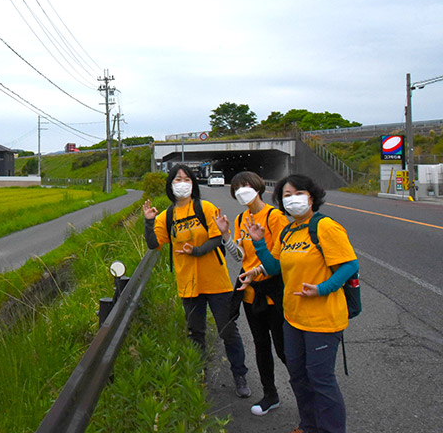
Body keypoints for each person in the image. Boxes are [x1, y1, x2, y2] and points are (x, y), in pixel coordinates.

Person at [239, 174, 359, 433]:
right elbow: (274, 266)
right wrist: (259, 245)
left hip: (322, 319)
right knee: (299, 376)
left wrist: (321, 289)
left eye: (297, 193)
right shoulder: (290, 231)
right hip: (293, 317)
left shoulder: (325, 227)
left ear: (311, 196)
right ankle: (308, 426)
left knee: (321, 380)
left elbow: (350, 265)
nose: (292, 199)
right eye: (286, 196)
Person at [143, 164, 250, 398]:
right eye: (177, 179)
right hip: (188, 283)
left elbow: (216, 238)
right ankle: (199, 375)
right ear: (171, 185)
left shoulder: (205, 207)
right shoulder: (166, 216)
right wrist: (148, 221)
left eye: (186, 179)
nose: (182, 183)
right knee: (195, 332)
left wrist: (197, 251)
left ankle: (240, 374)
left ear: (193, 183)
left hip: (216, 281)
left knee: (227, 330)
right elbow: (154, 244)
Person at [214, 171, 289, 417]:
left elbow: (281, 258)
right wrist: (225, 235)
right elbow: (239, 257)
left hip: (274, 291)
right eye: (236, 188)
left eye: (245, 185)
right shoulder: (241, 219)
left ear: (257, 186)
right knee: (260, 345)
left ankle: (307, 391)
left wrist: (256, 271)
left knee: (283, 347)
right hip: (250, 294)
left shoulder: (275, 217)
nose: (241, 191)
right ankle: (270, 394)